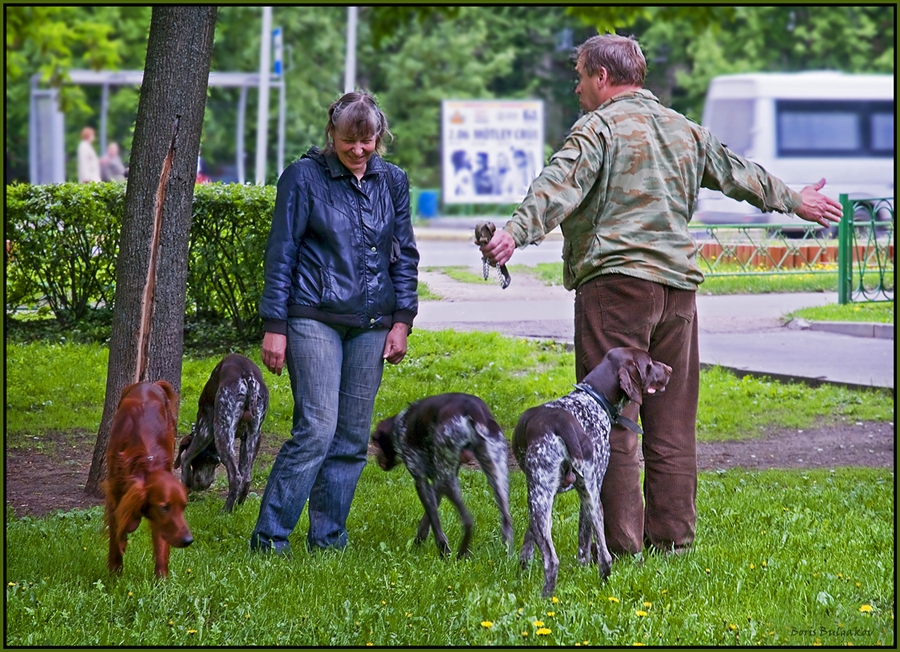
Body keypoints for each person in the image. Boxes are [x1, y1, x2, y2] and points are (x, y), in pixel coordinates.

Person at [479, 34, 842, 558]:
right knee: (671, 422)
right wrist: (796, 200)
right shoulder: (684, 128)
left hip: (616, 289)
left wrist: (515, 233)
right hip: (677, 294)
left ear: (603, 77)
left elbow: (556, 185)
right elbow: (739, 173)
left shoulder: (598, 126)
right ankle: (672, 539)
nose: (577, 87)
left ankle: (622, 544)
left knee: (613, 420)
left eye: (581, 76)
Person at [251, 90, 419, 555]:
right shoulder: (303, 178)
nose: (359, 150)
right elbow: (281, 253)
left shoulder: (394, 182)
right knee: (318, 429)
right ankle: (270, 539)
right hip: (312, 316)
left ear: (379, 137)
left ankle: (328, 539)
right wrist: (274, 325)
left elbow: (404, 254)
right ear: (332, 134)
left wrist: (402, 320)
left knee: (349, 438)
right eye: (349, 141)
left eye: (368, 141)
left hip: (373, 323)